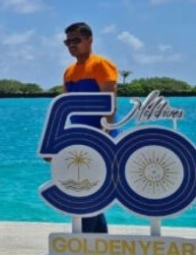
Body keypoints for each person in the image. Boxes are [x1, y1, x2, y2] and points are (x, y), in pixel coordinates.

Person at [62, 21, 118, 233]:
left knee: (88, 194)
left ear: (89, 40)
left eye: (76, 40)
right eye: (68, 42)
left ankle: (84, 241)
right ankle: (98, 243)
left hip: (102, 138)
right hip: (80, 140)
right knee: (85, 192)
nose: (71, 45)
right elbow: (66, 108)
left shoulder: (101, 65)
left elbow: (109, 104)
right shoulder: (69, 71)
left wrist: (105, 138)